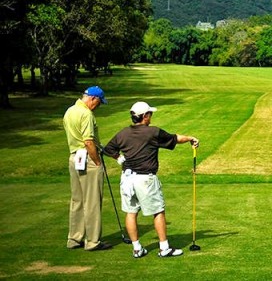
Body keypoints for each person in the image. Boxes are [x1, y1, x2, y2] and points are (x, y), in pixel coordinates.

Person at [103, 101, 199, 258]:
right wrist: (190, 138)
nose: (151, 116)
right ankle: (164, 248)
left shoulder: (123, 133)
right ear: (145, 116)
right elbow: (174, 139)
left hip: (127, 179)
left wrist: (120, 159)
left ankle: (137, 249)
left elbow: (108, 149)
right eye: (150, 114)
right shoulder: (153, 132)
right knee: (158, 211)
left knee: (131, 212)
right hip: (145, 180)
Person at [63, 85, 112, 251]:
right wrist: (97, 161)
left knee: (77, 200)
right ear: (93, 99)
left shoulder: (70, 111)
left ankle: (74, 238)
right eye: (99, 103)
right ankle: (92, 241)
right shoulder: (86, 114)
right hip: (88, 158)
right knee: (92, 201)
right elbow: (89, 141)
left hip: (74, 157)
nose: (98, 107)